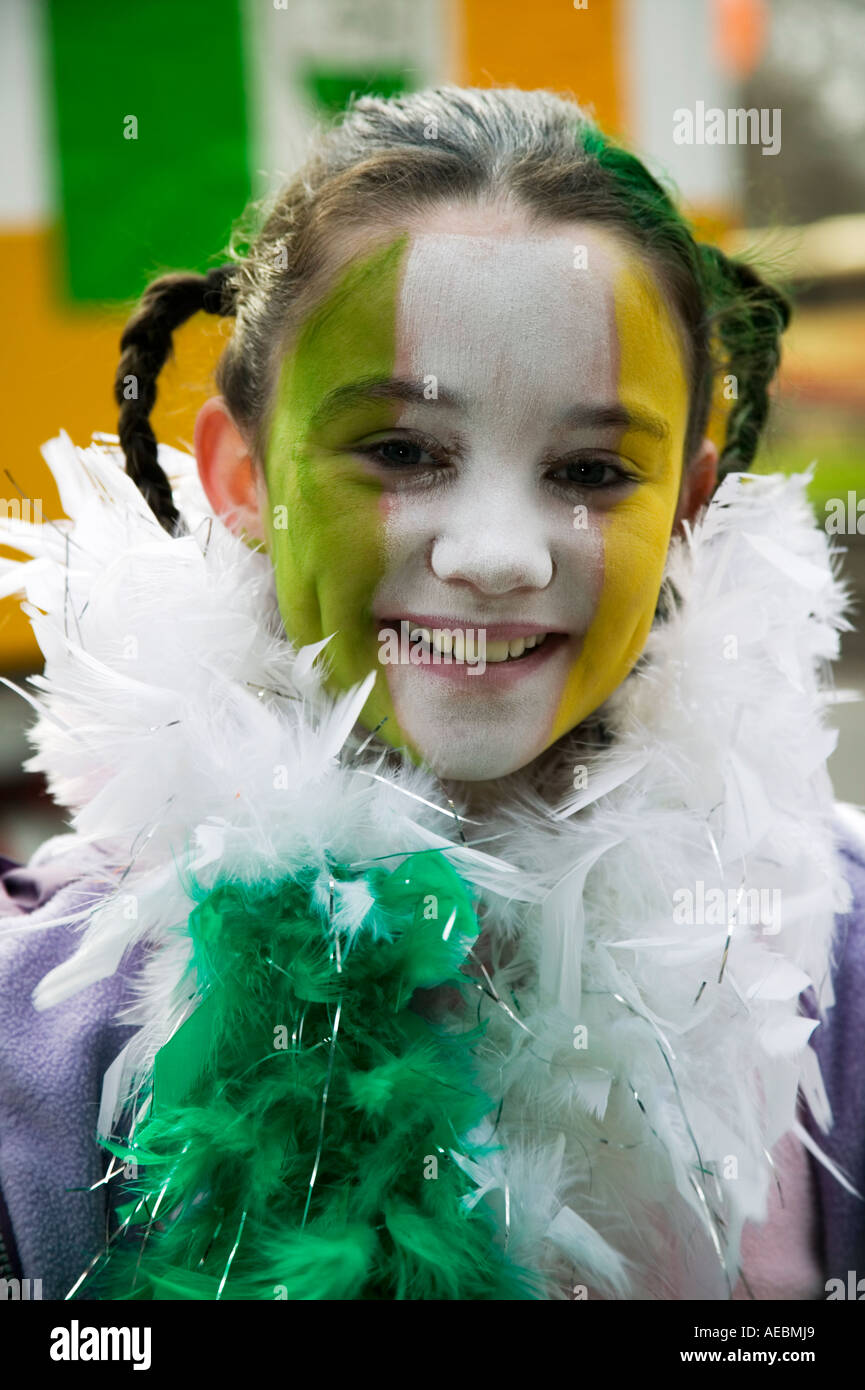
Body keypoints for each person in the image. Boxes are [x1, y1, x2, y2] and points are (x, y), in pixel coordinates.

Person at [0, 85, 862, 1302]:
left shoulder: (835, 953)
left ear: (687, 503)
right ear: (242, 475)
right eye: (402, 451)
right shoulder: (30, 1036)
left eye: (590, 469)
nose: (497, 554)